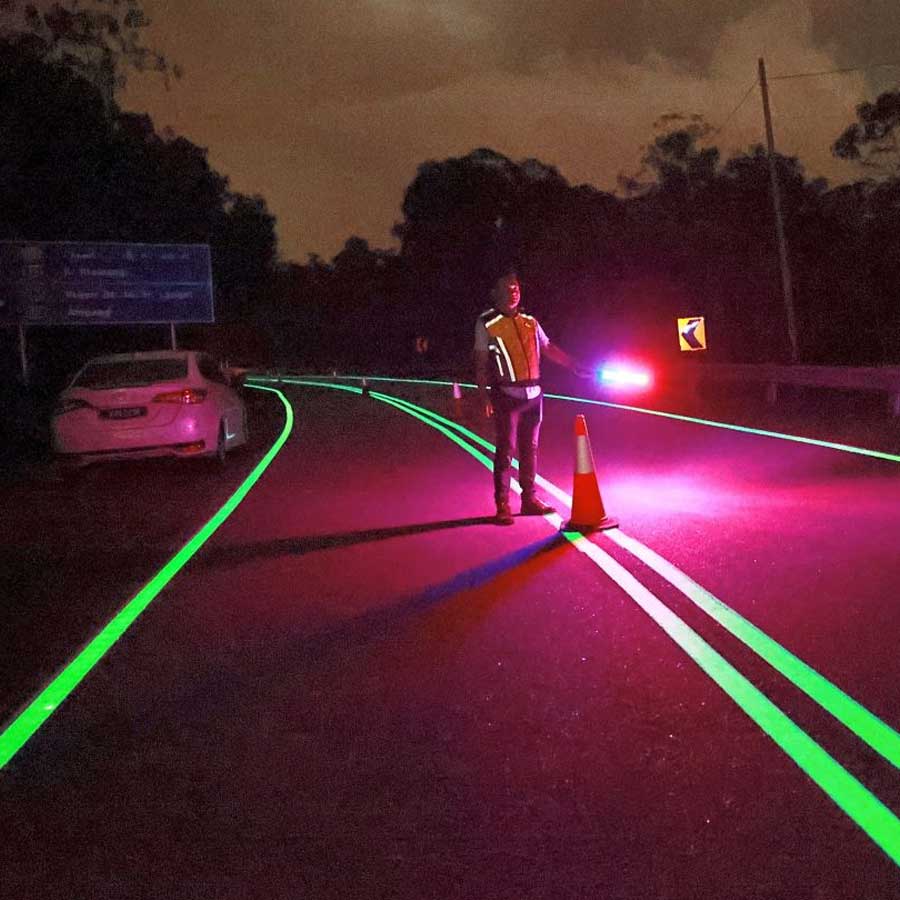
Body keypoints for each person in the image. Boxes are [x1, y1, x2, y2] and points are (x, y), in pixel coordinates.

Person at [474, 268, 589, 525]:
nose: (513, 292)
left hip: (534, 394)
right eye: (506, 288)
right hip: (506, 395)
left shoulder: (530, 321)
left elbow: (547, 347)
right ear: (495, 293)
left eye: (516, 288)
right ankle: (502, 504)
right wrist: (484, 397)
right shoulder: (487, 322)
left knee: (531, 449)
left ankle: (529, 499)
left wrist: (572, 364)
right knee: (505, 450)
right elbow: (481, 362)